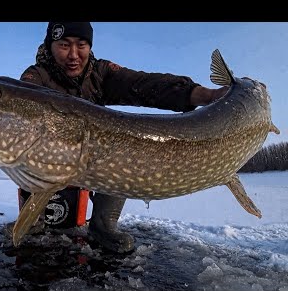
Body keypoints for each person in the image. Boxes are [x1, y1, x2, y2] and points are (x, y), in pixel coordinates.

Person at [14, 22, 228, 253]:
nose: (73, 55)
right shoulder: (35, 77)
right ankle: (33, 221)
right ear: (51, 45)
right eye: (64, 45)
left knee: (117, 153)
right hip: (52, 156)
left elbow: (143, 85)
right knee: (33, 153)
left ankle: (102, 226)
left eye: (82, 45)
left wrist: (199, 94)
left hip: (91, 154)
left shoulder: (100, 72)